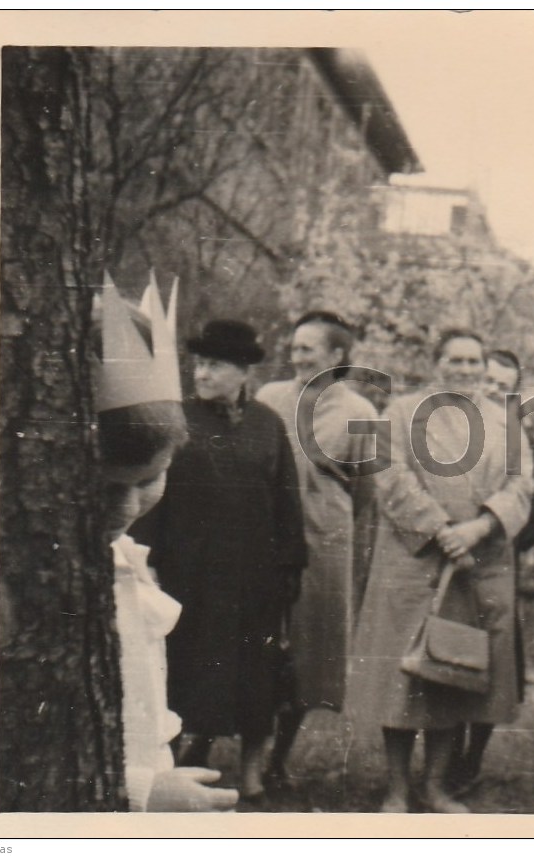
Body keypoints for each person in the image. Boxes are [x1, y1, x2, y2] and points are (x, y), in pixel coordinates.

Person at [351, 328, 534, 813]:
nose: (465, 370)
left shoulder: (504, 422)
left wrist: (479, 528)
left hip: (478, 560)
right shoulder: (402, 413)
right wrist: (438, 528)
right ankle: (395, 788)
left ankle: (434, 786)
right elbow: (389, 475)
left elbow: (522, 484)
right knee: (402, 676)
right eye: (455, 360)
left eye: (473, 361)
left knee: (455, 671)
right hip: (413, 562)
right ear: (436, 364)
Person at [137, 318, 307, 805]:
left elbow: (286, 501)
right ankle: (173, 766)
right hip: (189, 572)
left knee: (257, 673)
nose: (203, 373)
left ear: (241, 371)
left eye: (214, 365)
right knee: (181, 669)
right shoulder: (177, 420)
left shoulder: (267, 425)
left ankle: (252, 773)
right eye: (199, 363)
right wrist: (147, 556)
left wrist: (289, 568)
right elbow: (152, 493)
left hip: (255, 577)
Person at [95, 276, 238, 812]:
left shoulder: (128, 562)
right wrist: (143, 794)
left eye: (148, 480)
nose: (127, 510)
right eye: (107, 487)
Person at [256, 311, 378, 787]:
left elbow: (367, 492)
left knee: (309, 648)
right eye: (294, 346)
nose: (296, 355)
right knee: (253, 637)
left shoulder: (361, 413)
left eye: (307, 347)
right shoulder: (267, 400)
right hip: (263, 538)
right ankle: (210, 740)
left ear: (336, 355)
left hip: (323, 542)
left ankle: (278, 756)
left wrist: (326, 515)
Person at [447, 348, 534, 797]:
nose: (491, 389)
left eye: (502, 385)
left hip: (496, 563)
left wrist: (497, 538)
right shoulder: (452, 430)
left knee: (494, 667)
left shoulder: (520, 441)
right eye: (487, 379)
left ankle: (471, 758)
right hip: (453, 562)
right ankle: (446, 757)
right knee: (450, 655)